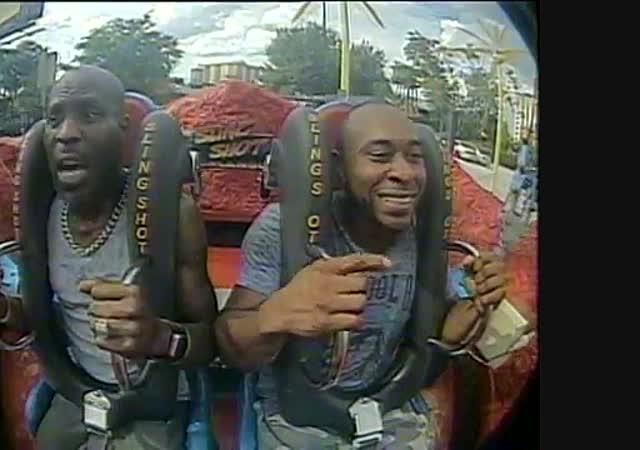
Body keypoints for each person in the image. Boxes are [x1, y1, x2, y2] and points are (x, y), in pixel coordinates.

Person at [215, 103, 507, 449]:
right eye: (380, 156)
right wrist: (274, 316)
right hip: (299, 419)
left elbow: (436, 334)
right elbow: (230, 344)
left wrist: (470, 311)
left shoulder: (422, 236)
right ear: (339, 169)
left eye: (415, 158)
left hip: (389, 407)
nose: (404, 173)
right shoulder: (283, 227)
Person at [0, 66, 218, 450]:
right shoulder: (44, 215)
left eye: (91, 115)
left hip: (151, 406)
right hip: (75, 393)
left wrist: (158, 337)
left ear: (123, 129)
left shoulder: (171, 215)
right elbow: (41, 319)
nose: (67, 133)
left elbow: (211, 342)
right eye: (54, 120)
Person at [504, 135, 537, 216]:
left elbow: (522, 163)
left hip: (523, 177)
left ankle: (512, 209)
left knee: (516, 193)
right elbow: (522, 164)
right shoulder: (526, 149)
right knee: (517, 193)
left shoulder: (527, 149)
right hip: (523, 176)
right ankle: (514, 209)